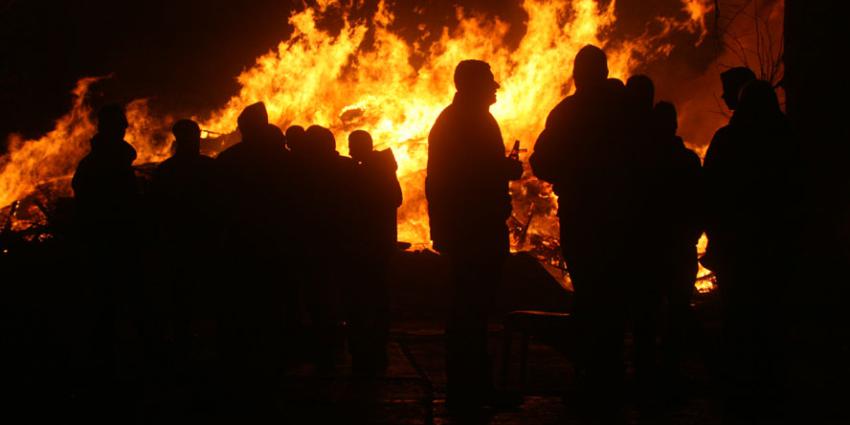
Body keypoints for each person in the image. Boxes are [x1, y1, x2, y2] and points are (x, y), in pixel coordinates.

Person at [530, 45, 631, 413]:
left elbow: (542, 160)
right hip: (624, 216)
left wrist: (569, 174)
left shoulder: (568, 113)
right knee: (616, 294)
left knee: (588, 295)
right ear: (604, 72)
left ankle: (591, 375)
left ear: (578, 75)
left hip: (584, 214)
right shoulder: (627, 109)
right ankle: (615, 371)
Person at [426, 59, 523, 410]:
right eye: (489, 80)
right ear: (472, 85)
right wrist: (505, 168)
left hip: (467, 227)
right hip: (473, 229)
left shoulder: (462, 119)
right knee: (471, 310)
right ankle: (470, 391)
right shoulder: (466, 121)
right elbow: (467, 174)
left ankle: (469, 388)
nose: (496, 85)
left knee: (471, 311)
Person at [703, 80, 799, 423]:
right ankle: (771, 389)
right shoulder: (788, 139)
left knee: (738, 318)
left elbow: (709, 192)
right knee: (771, 319)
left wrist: (715, 236)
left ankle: (739, 391)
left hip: (737, 250)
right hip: (775, 249)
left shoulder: (729, 140)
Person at [150, 119, 217, 359]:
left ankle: (184, 345)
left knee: (181, 297)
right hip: (201, 243)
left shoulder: (166, 171)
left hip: (178, 243)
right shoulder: (209, 168)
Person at [345, 129, 402, 374]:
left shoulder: (371, 171)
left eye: (352, 145)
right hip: (379, 242)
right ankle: (375, 346)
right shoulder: (382, 169)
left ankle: (366, 348)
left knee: (364, 296)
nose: (349, 150)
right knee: (377, 295)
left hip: (368, 243)